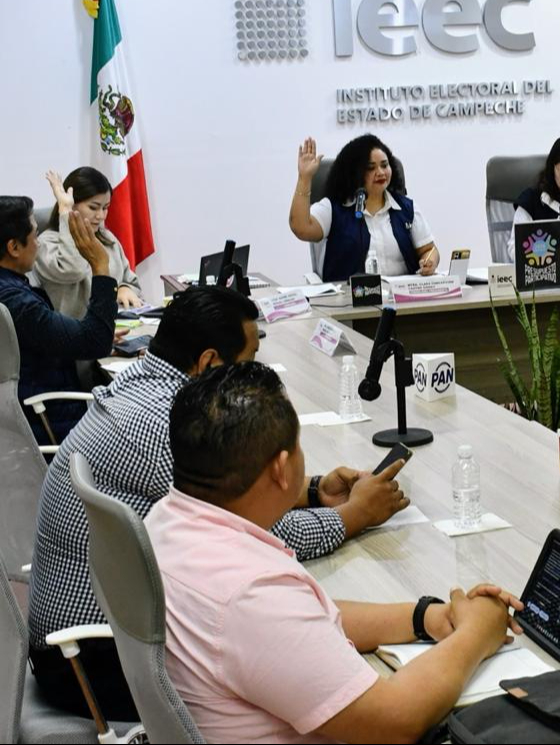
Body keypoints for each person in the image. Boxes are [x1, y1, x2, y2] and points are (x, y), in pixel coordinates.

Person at [26, 285, 409, 722]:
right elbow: (261, 534)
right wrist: (355, 515)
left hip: (94, 640)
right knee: (314, 675)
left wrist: (314, 491)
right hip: (95, 663)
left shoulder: (141, 384)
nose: (255, 374)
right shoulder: (165, 426)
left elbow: (229, 493)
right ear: (210, 362)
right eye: (249, 361)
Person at [150, 361, 522, 743]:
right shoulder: (250, 593)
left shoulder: (166, 520)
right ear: (281, 469)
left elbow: (303, 622)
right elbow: (394, 720)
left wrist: (425, 616)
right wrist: (477, 633)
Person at [0, 195, 120, 443]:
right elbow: (95, 342)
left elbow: (48, 335)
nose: (39, 244)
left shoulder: (12, 290)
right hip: (51, 424)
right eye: (35, 235)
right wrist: (100, 267)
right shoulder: (15, 302)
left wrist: (84, 330)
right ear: (13, 247)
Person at [290, 134, 440, 282]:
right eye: (370, 168)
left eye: (384, 165)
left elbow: (429, 250)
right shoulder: (334, 208)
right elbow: (301, 228)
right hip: (349, 295)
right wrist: (305, 178)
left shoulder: (406, 208)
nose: (380, 172)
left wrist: (430, 261)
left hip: (400, 294)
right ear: (354, 172)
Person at [34, 168, 144, 317]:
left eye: (105, 208)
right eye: (93, 207)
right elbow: (73, 270)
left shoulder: (107, 238)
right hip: (75, 329)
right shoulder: (46, 244)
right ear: (72, 203)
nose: (101, 216)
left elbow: (132, 282)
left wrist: (124, 288)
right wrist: (65, 212)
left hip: (118, 325)